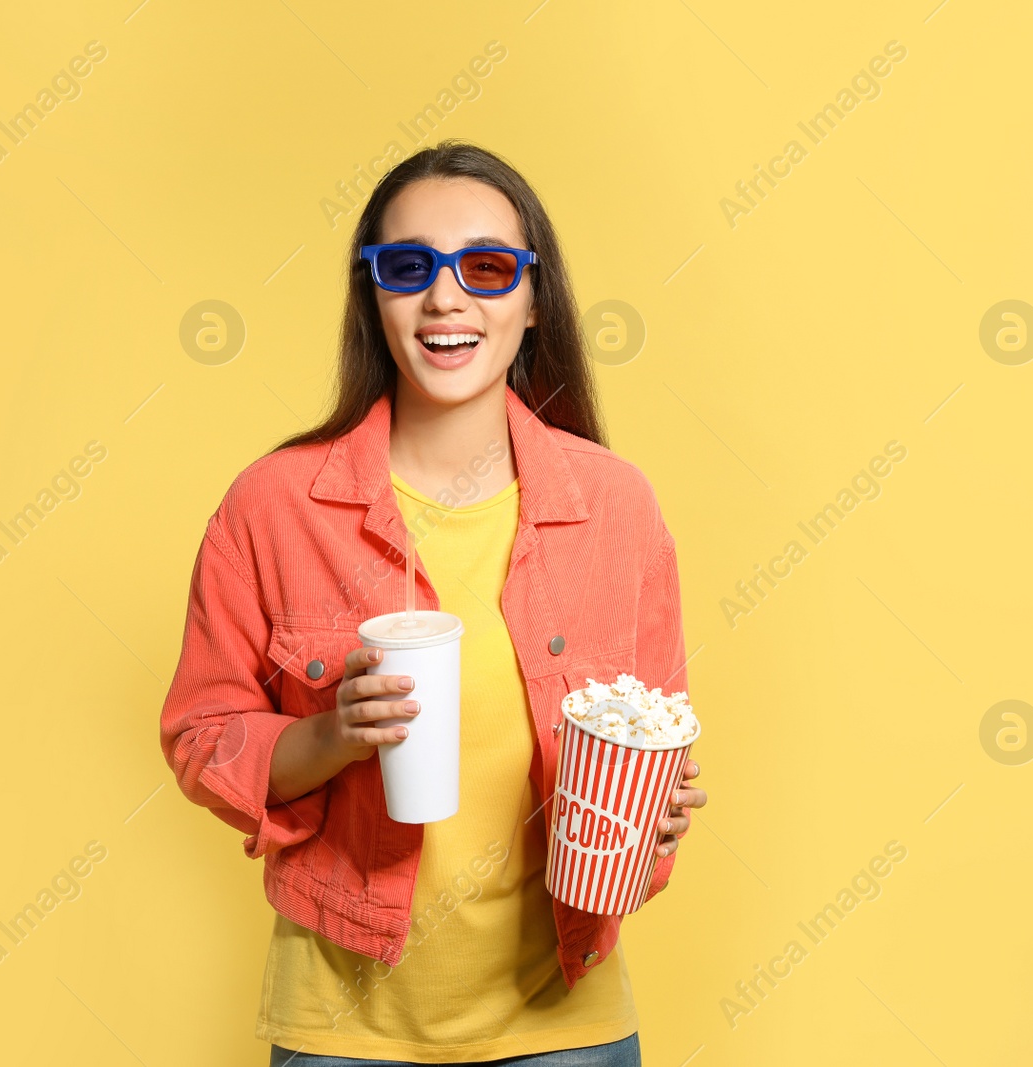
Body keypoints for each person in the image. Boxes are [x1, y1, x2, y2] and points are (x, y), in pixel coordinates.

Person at [160, 140, 707, 1066]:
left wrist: (653, 813)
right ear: (373, 295)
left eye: (488, 267)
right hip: (343, 1028)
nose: (447, 298)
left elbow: (657, 735)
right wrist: (330, 734)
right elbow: (200, 733)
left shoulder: (618, 508)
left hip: (565, 1026)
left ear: (536, 301)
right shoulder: (273, 506)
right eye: (408, 266)